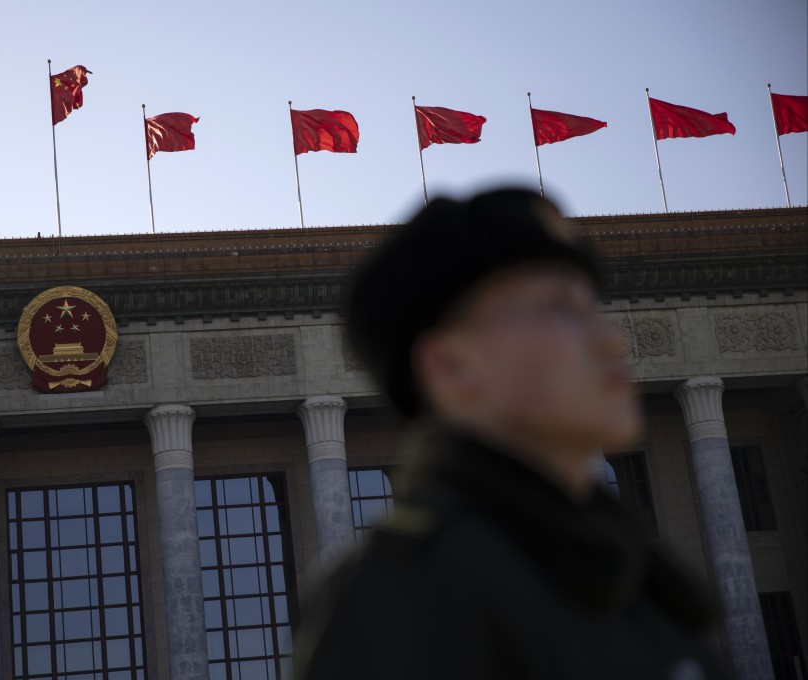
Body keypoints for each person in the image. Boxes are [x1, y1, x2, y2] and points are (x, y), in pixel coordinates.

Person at [293, 189, 729, 680]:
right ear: (452, 366)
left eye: (594, 306)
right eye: (559, 307)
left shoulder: (633, 582)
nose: (612, 339)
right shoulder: (413, 593)